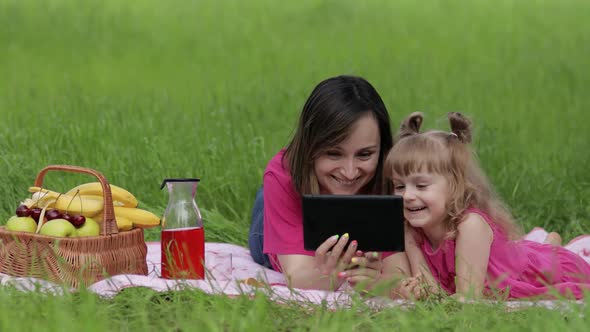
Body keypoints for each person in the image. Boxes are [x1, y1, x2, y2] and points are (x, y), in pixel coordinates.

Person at [385, 112, 590, 300]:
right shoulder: (409, 231)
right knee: (530, 249)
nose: (407, 196)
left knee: (548, 263)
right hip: (510, 259)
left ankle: (552, 247)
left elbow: (467, 298)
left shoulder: (470, 226)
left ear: (456, 186)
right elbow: (431, 290)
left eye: (421, 186)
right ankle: (549, 243)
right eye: (399, 186)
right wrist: (416, 290)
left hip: (536, 275)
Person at [248, 75, 410, 291]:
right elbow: (297, 277)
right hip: (285, 206)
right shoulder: (284, 176)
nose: (350, 172)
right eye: (334, 154)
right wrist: (333, 275)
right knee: (268, 204)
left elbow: (400, 275)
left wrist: (377, 282)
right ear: (310, 147)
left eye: (364, 155)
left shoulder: (390, 175)